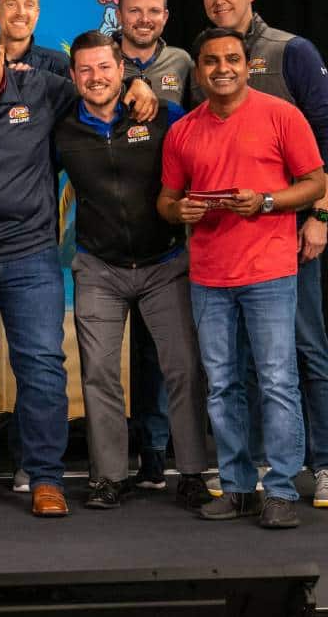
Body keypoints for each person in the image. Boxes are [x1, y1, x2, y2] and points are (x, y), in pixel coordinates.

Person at [0, 20, 157, 517]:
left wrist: (136, 81)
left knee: (39, 365)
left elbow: (96, 83)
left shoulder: (43, 89)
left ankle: (44, 476)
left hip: (29, 253)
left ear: (3, 53)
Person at [159, 27, 324, 529]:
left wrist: (268, 201)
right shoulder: (183, 130)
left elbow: (316, 181)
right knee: (222, 384)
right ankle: (236, 487)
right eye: (211, 61)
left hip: (270, 270)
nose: (222, 68)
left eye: (232, 58)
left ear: (248, 64)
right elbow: (165, 201)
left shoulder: (282, 115)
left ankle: (279, 490)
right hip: (209, 274)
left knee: (277, 381)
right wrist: (180, 209)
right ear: (200, 69)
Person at [54, 31, 210, 511]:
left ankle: (190, 472)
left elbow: (208, 155)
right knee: (99, 373)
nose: (95, 77)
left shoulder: (163, 115)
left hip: (165, 264)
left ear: (122, 70)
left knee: (182, 369)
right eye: (85, 69)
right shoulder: (62, 129)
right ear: (74, 75)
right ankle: (108, 477)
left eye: (104, 67)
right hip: (99, 267)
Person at [200, 0, 328, 507]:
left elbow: (323, 139)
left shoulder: (290, 50)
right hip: (231, 246)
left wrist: (320, 216)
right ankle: (252, 464)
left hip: (294, 230)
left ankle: (323, 463)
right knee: (248, 362)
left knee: (306, 351)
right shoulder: (210, 55)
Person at [113, 0, 196, 490]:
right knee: (108, 355)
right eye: (135, 11)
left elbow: (202, 124)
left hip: (168, 227)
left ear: (165, 17)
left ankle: (155, 450)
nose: (144, 19)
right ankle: (117, 454)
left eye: (154, 12)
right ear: (117, 13)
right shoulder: (97, 56)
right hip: (107, 227)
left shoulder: (185, 63)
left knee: (163, 353)